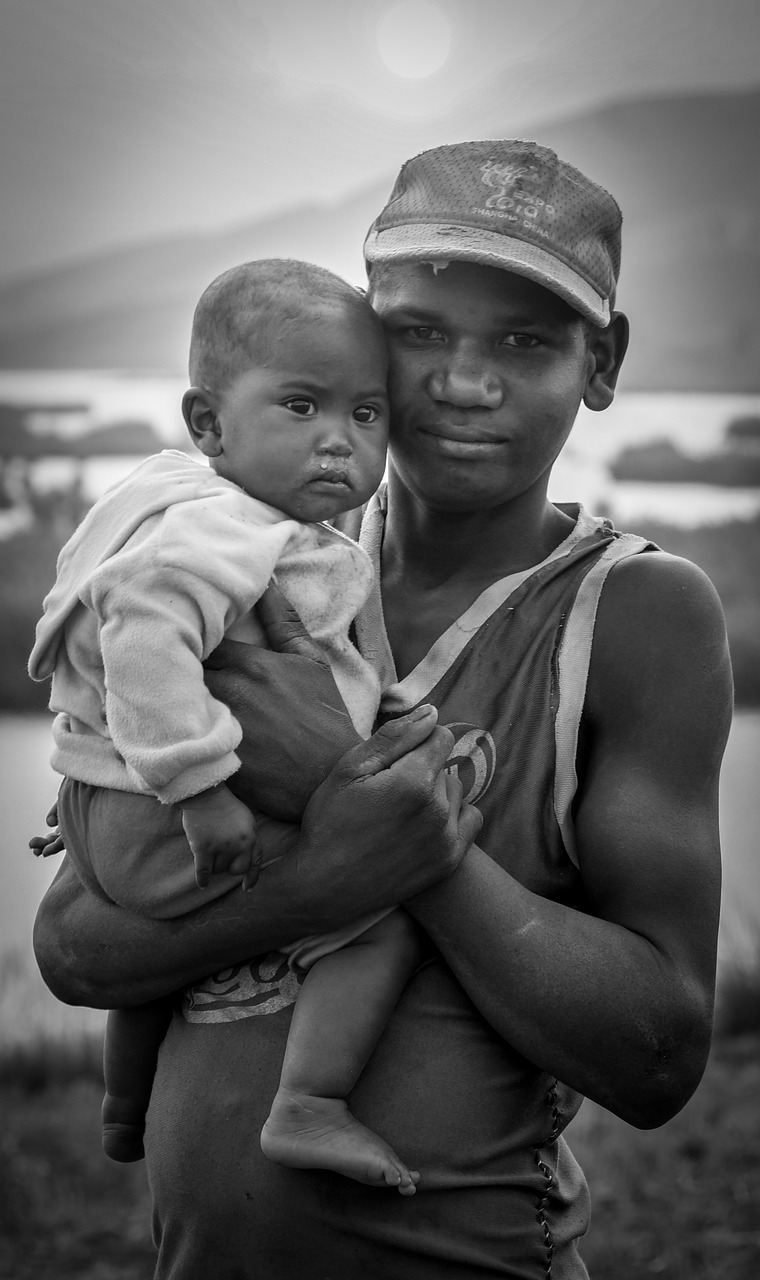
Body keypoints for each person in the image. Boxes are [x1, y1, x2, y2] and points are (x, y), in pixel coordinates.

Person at [31, 140, 733, 1279]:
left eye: (525, 339)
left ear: (600, 361)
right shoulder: (242, 568)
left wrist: (384, 823)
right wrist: (319, 881)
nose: (464, 382)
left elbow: (656, 1053)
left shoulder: (634, 614)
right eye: (418, 334)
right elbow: (72, 946)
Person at [28, 257, 430, 1193]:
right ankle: (309, 1104)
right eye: (301, 407)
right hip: (169, 805)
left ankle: (126, 1105)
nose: (339, 442)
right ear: (208, 423)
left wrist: (90, 765)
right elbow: (143, 632)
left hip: (116, 799)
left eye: (365, 415)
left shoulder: (178, 506)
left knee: (158, 953)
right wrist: (201, 788)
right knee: (381, 917)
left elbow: (122, 658)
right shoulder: (226, 526)